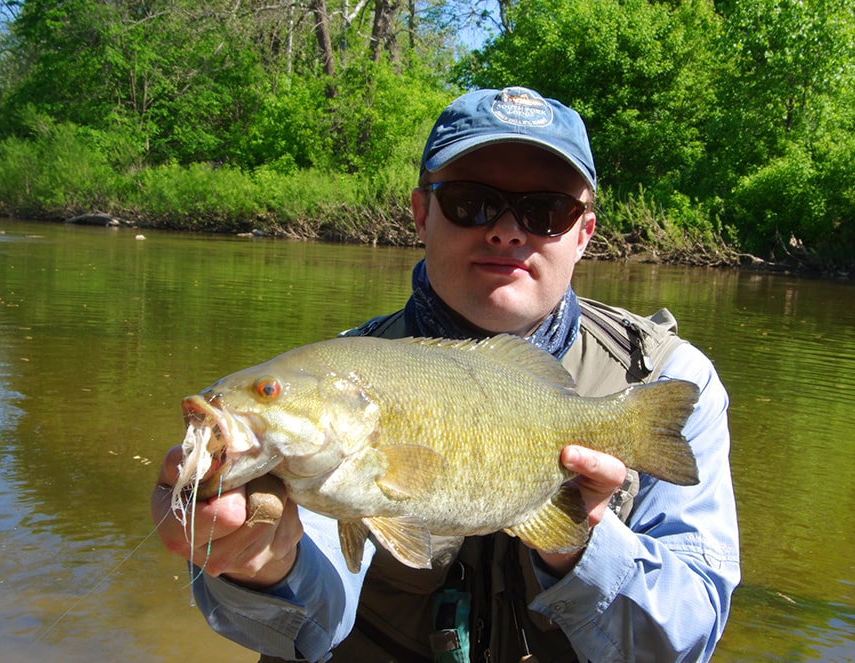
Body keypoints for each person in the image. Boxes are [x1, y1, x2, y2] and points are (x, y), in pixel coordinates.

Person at [151, 86, 741, 662]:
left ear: (583, 234)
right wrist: (263, 568)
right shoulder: (348, 369)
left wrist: (583, 542)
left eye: (546, 211)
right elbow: (310, 627)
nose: (507, 230)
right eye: (470, 202)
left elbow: (685, 639)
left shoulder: (667, 375)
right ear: (420, 213)